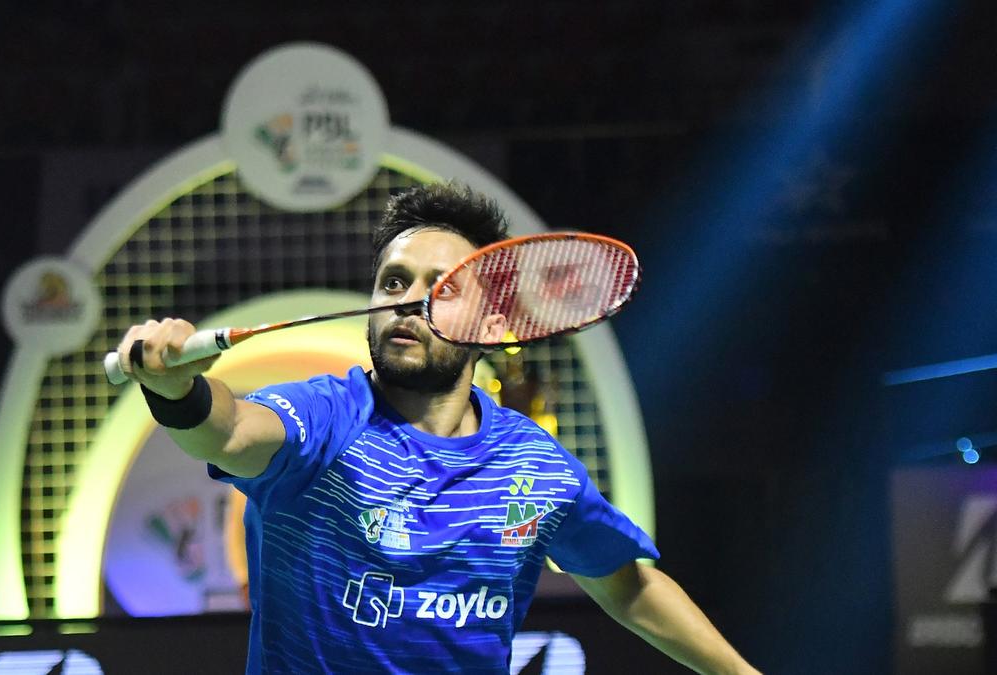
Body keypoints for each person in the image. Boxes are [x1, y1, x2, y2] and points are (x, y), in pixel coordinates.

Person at [116, 182, 759, 673]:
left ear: (490, 323)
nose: (409, 299)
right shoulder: (327, 417)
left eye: (441, 287)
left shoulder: (533, 467)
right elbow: (229, 432)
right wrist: (177, 390)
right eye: (394, 281)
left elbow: (626, 582)